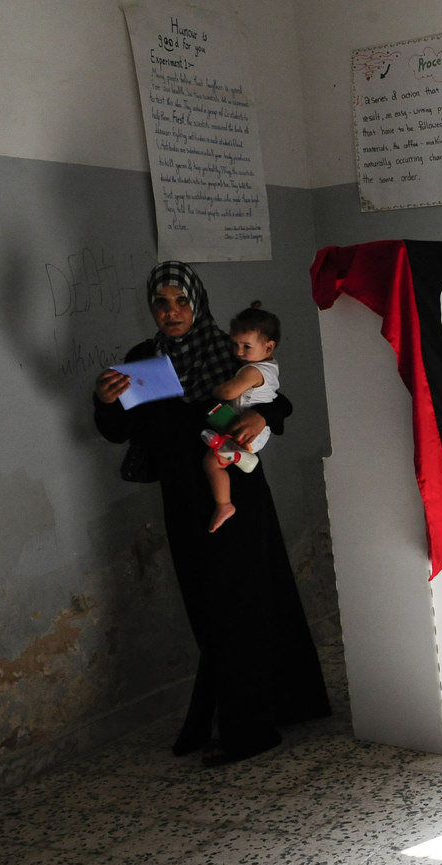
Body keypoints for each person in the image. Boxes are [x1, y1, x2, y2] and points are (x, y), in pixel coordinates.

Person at [93, 262, 330, 766]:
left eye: (181, 301)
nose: (172, 312)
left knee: (244, 600)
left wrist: (261, 414)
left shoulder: (230, 350)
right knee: (207, 606)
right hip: (183, 496)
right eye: (162, 303)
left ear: (196, 302)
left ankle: (250, 728)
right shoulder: (143, 361)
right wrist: (105, 402)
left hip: (235, 492)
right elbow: (118, 432)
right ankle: (251, 710)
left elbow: (277, 401)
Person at [201, 306, 282, 533]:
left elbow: (228, 393)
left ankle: (224, 504)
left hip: (247, 432)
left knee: (211, 462)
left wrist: (215, 390)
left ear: (268, 346)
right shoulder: (269, 367)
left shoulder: (251, 371)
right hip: (253, 432)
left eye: (246, 346)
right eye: (235, 344)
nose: (238, 352)